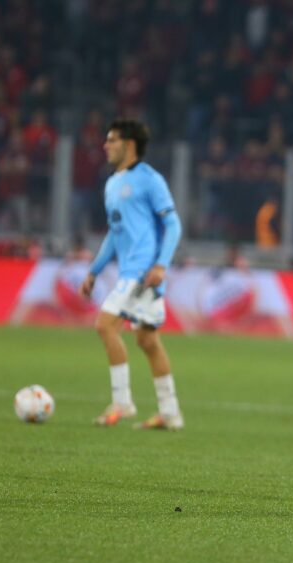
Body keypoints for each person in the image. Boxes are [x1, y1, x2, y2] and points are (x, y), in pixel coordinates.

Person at [80, 119, 184, 430]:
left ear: (129, 144)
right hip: (132, 269)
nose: (105, 146)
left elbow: (173, 224)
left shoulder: (150, 179)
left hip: (142, 270)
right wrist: (94, 270)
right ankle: (170, 413)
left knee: (105, 325)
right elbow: (114, 233)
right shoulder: (112, 183)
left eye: (112, 140)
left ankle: (122, 403)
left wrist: (161, 265)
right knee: (147, 340)